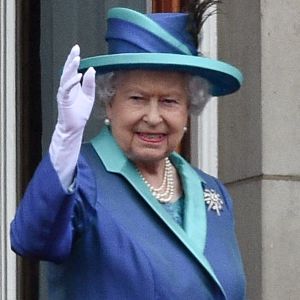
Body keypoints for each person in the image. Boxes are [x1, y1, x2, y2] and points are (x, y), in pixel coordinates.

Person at [11, 5, 246, 300]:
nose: (153, 116)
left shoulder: (212, 191)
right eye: (137, 98)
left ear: (189, 108)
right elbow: (32, 239)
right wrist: (66, 137)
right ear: (109, 102)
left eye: (169, 101)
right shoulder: (81, 177)